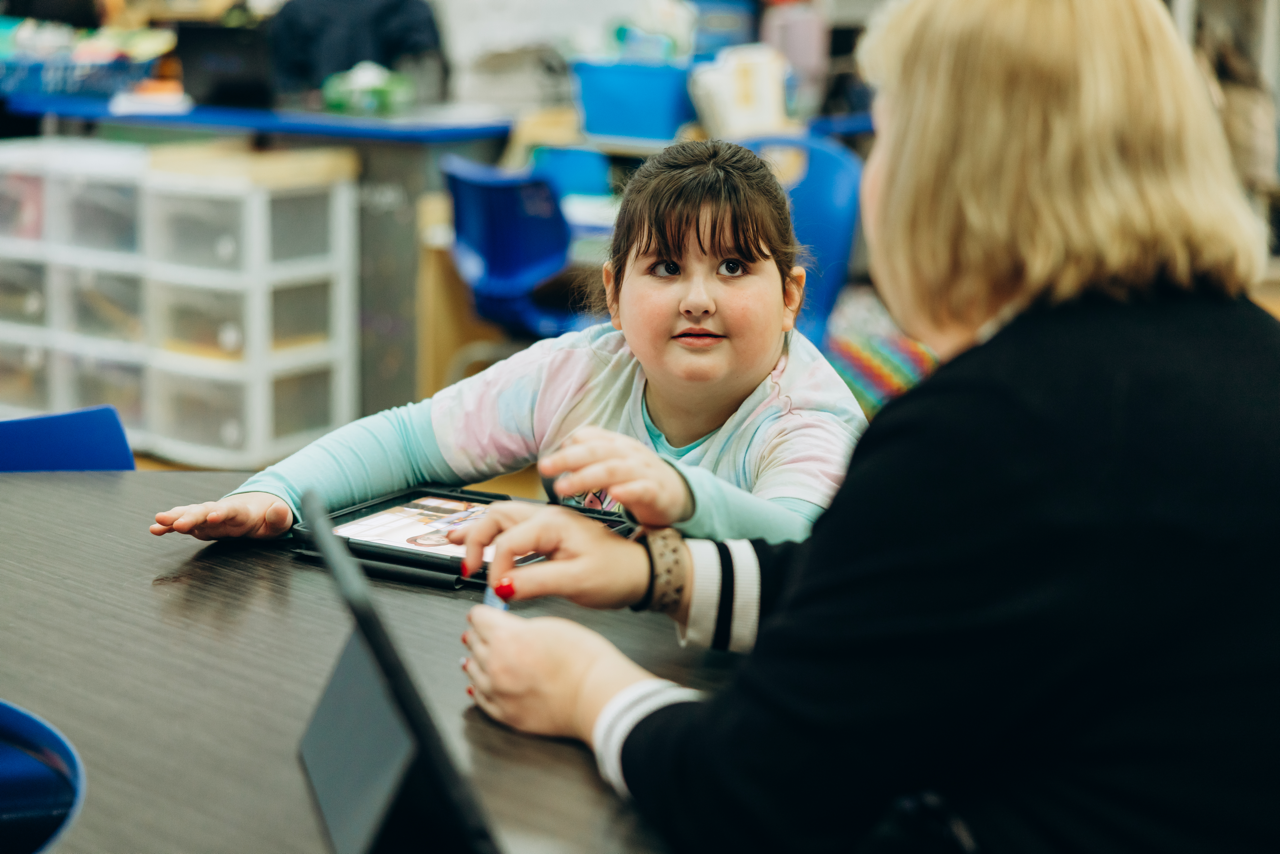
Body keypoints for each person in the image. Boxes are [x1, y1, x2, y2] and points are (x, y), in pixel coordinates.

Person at [451, 0, 1280, 851]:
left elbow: (751, 787)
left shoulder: (991, 425)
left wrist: (592, 689)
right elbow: (896, 592)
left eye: (884, 137)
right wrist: (658, 571)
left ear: (951, 168)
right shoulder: (1243, 361)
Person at [150, 141, 867, 546]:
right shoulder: (581, 371)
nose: (698, 298)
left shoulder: (806, 420)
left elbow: (797, 547)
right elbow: (405, 443)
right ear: (614, 297)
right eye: (667, 267)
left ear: (791, 299)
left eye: (734, 267)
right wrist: (276, 494)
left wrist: (680, 494)